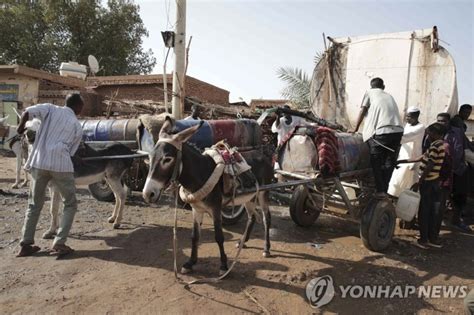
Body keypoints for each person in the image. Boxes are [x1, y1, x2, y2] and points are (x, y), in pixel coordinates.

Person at [15, 93, 84, 257]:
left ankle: (25, 244)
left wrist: (20, 127)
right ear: (78, 107)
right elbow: (72, 152)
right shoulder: (76, 125)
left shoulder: (50, 109)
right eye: (82, 106)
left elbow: (27, 112)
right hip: (61, 164)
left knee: (34, 203)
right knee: (70, 204)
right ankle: (59, 243)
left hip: (39, 162)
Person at [352, 77, 404, 197]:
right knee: (389, 162)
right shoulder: (389, 96)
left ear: (371, 87)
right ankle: (383, 190)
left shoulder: (369, 92)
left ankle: (380, 190)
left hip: (383, 131)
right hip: (397, 131)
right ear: (383, 87)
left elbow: (363, 110)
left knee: (375, 160)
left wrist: (355, 128)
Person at [398, 123, 447, 248]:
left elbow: (430, 164)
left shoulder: (436, 145)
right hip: (434, 182)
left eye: (430, 133)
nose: (428, 135)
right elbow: (422, 157)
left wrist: (419, 182)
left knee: (424, 211)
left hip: (429, 182)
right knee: (432, 211)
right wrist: (402, 161)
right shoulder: (439, 145)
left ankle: (424, 240)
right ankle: (432, 239)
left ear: (437, 134)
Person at [388, 106, 425, 197]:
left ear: (416, 117)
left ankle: (407, 201)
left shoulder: (420, 127)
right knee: (397, 181)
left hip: (412, 158)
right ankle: (395, 198)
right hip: (403, 156)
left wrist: (389, 138)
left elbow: (406, 137)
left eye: (409, 117)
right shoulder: (408, 125)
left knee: (409, 182)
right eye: (407, 116)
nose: (407, 118)